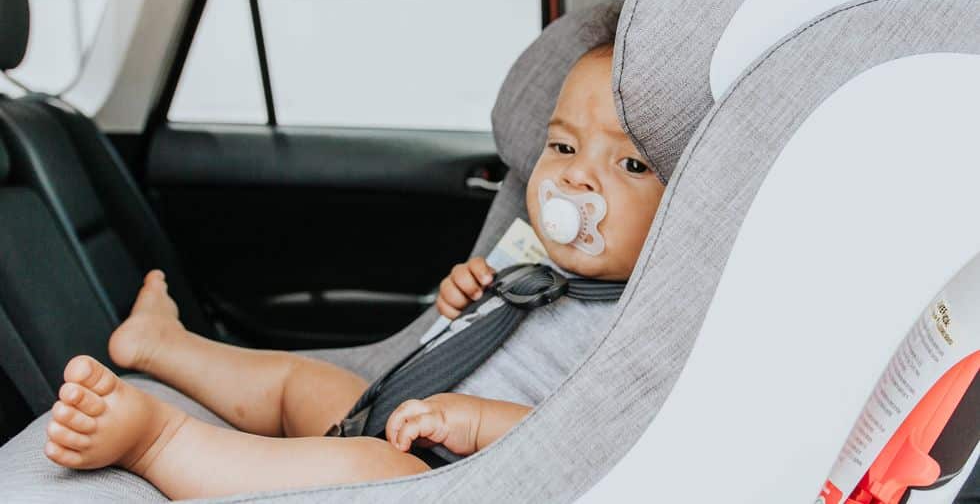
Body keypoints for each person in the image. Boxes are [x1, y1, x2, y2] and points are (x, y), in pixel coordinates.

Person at [42, 43, 667, 499]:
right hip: (398, 413)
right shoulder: (531, 253)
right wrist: (466, 298)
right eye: (562, 147)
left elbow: (599, 433)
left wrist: (474, 422)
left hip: (455, 477)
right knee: (299, 378)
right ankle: (161, 345)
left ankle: (158, 443)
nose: (575, 177)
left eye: (631, 166)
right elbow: (467, 336)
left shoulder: (651, 316)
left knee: (369, 468)